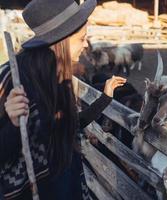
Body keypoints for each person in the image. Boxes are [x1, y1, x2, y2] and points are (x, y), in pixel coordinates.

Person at [0, 0, 127, 199]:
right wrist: (13, 124)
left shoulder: (58, 75)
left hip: (66, 187)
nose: (86, 45)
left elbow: (71, 126)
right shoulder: (13, 79)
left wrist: (105, 97)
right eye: (82, 39)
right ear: (61, 40)